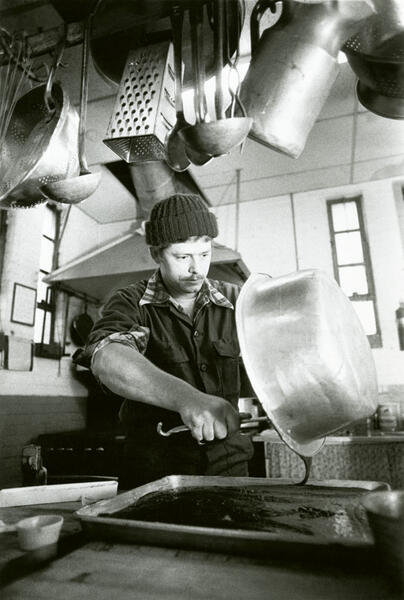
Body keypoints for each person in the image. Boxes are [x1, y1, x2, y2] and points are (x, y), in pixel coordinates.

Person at [75, 193, 254, 489]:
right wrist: (189, 399)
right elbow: (107, 357)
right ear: (157, 253)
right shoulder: (130, 303)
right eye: (183, 257)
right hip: (154, 471)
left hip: (230, 466)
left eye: (205, 254)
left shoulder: (239, 301)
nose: (197, 269)